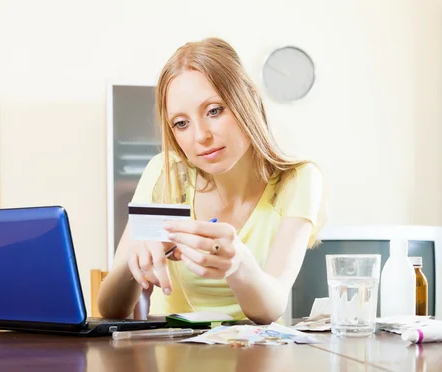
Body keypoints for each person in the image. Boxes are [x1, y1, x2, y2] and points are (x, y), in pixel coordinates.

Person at [97, 37, 327, 324]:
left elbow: (272, 307)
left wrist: (239, 264)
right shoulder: (166, 174)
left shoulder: (297, 180)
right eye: (181, 123)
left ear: (247, 102)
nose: (200, 136)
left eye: (214, 110)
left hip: (253, 359)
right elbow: (110, 309)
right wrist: (134, 257)